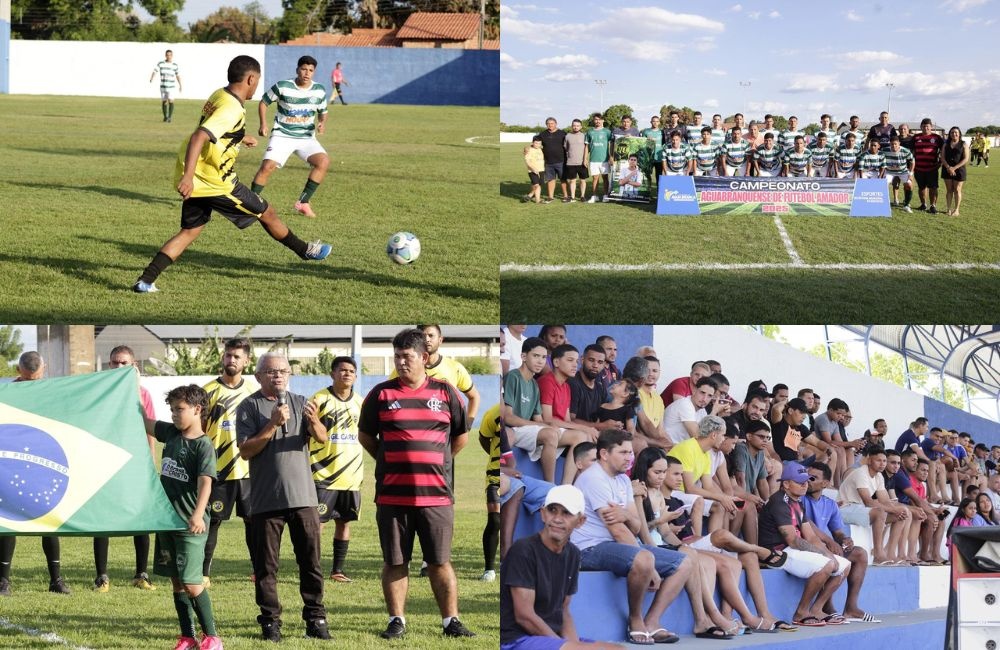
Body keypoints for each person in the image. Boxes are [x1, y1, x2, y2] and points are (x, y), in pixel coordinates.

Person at [132, 55, 332, 293]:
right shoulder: (231, 107)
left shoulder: (221, 94)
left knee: (190, 231)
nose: (256, 87)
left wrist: (238, 137)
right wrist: (188, 177)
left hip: (198, 176)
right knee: (266, 212)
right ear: (250, 79)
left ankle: (146, 280)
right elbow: (200, 135)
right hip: (216, 181)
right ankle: (305, 250)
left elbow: (215, 129)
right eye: (256, 82)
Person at [358, 329, 474, 640]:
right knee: (395, 561)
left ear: (424, 357)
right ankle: (397, 620)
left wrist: (437, 461)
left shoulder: (446, 393)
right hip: (393, 497)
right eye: (396, 356)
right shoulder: (381, 394)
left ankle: (451, 621)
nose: (400, 362)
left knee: (439, 561)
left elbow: (461, 435)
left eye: (406, 357)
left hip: (436, 496)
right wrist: (390, 459)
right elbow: (366, 436)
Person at [572, 429, 731, 643]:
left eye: (630, 452)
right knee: (645, 558)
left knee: (684, 562)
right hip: (589, 548)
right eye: (624, 452)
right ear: (604, 454)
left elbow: (636, 525)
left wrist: (627, 514)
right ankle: (635, 619)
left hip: (615, 545)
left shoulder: (622, 480)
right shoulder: (594, 478)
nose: (630, 457)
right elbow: (618, 530)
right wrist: (651, 566)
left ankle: (652, 622)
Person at [236, 352, 331, 642]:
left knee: (311, 563)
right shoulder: (249, 407)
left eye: (283, 371)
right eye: (271, 371)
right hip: (267, 500)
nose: (278, 376)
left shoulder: (301, 403)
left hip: (303, 498)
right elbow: (246, 450)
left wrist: (314, 422)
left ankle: (316, 619)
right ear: (258, 376)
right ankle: (270, 622)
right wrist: (273, 424)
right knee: (266, 567)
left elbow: (322, 438)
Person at [141, 385, 222, 650]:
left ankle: (212, 637)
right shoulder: (171, 434)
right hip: (166, 520)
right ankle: (187, 637)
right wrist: (128, 385)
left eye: (180, 409)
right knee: (176, 581)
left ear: (197, 409)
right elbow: (145, 421)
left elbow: (206, 484)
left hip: (190, 524)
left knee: (191, 581)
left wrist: (198, 515)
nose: (175, 414)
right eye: (172, 409)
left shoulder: (203, 445)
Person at [500, 484, 623, 650]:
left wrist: (573, 644)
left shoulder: (573, 553)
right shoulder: (523, 550)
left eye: (566, 513)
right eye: (552, 510)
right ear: (543, 514)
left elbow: (564, 610)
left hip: (549, 638)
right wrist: (564, 645)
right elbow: (524, 616)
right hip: (516, 639)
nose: (557, 519)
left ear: (581, 521)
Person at [0, 352, 70, 597]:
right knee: (7, 522)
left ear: (44, 369)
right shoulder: (6, 394)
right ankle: (3, 581)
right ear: (18, 371)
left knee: (48, 520)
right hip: (11, 464)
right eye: (27, 378)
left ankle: (56, 580)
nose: (31, 383)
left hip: (44, 462)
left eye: (36, 378)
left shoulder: (52, 393)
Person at [93, 345, 158, 592]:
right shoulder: (101, 393)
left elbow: (149, 430)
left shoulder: (143, 394)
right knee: (102, 519)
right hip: (106, 462)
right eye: (114, 363)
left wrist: (151, 463)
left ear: (134, 367)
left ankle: (141, 573)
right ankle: (101, 576)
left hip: (136, 463)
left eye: (123, 363)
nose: (118, 367)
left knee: (140, 518)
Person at [757, 462, 851, 627]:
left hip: (791, 550)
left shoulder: (798, 501)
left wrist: (828, 553)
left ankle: (817, 609)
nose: (805, 485)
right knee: (827, 564)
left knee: (845, 565)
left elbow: (811, 537)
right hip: (777, 553)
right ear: (786, 484)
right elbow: (793, 540)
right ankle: (801, 612)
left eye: (806, 481)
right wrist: (825, 556)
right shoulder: (779, 501)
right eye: (800, 482)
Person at [201, 338, 257, 587]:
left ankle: (259, 570)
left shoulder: (254, 391)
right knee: (212, 522)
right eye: (228, 355)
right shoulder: (208, 391)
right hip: (218, 469)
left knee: (254, 523)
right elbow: (200, 430)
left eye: (236, 356)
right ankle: (203, 572)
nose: (231, 360)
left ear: (246, 361)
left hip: (249, 470)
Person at [251, 55, 330, 219]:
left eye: (310, 70)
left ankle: (303, 202)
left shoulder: (319, 90)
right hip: (282, 135)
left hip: (306, 138)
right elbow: (264, 102)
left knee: (323, 161)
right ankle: (250, 203)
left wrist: (322, 123)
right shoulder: (283, 86)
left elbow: (323, 113)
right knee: (267, 167)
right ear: (297, 70)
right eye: (304, 69)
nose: (307, 73)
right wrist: (263, 124)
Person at [802, 462, 881, 624]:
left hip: (824, 547)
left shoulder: (829, 504)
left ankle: (851, 608)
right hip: (806, 546)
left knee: (859, 553)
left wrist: (844, 539)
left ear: (825, 484)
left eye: (812, 478)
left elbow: (837, 531)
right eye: (805, 476)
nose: (807, 480)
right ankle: (826, 608)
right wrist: (829, 542)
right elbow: (807, 524)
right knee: (830, 556)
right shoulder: (800, 499)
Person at [309, 356, 365, 583]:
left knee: (344, 522)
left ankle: (337, 570)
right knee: (317, 524)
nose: (347, 374)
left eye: (351, 371)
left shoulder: (360, 403)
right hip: (323, 473)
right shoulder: (319, 399)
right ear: (332, 374)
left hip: (351, 476)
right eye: (342, 370)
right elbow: (310, 430)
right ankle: (313, 570)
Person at [839, 447, 909, 565]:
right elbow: (868, 502)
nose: (882, 464)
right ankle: (878, 555)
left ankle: (890, 553)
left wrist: (897, 510)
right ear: (869, 460)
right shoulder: (861, 473)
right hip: (845, 508)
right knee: (880, 512)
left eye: (884, 461)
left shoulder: (879, 476)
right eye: (878, 460)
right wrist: (892, 509)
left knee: (902, 513)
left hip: (860, 510)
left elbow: (885, 501)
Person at [478, 403, 503, 582]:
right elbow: (483, 438)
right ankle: (489, 569)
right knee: (495, 520)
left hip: (516, 473)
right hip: (495, 474)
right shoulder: (493, 413)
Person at [912, 117, 945, 213]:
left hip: (932, 168)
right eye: (923, 126)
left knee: (933, 187)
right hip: (918, 168)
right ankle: (923, 204)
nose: (925, 128)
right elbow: (911, 151)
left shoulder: (937, 138)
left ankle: (933, 206)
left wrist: (940, 162)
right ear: (921, 127)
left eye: (927, 126)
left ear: (931, 127)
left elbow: (944, 150)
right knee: (921, 187)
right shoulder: (916, 137)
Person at [941, 126, 970, 216]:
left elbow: (966, 159)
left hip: (960, 170)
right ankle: (948, 209)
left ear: (959, 134)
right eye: (952, 132)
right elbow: (942, 157)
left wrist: (954, 168)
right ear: (949, 134)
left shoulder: (964, 144)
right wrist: (949, 167)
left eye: (956, 132)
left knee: (957, 190)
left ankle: (956, 210)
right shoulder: (945, 144)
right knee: (949, 190)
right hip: (947, 169)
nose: (954, 134)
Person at [538, 117, 567, 204]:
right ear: (546, 124)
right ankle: (550, 197)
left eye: (552, 123)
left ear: (556, 124)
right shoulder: (542, 134)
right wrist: (528, 148)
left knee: (563, 179)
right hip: (548, 162)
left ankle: (565, 196)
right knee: (550, 179)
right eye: (548, 124)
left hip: (561, 161)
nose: (550, 125)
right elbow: (535, 143)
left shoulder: (563, 134)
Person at [584, 114, 612, 202]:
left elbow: (612, 145)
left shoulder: (607, 132)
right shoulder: (589, 132)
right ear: (593, 120)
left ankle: (605, 195)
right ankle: (594, 196)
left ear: (603, 120)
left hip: (604, 159)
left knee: (605, 178)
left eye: (599, 119)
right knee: (595, 178)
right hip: (593, 159)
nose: (597, 121)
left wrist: (611, 156)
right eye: (596, 119)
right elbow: (586, 146)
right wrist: (585, 158)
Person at [884, 136, 915, 212]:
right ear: (889, 144)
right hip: (889, 172)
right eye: (892, 144)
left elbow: (912, 161)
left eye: (895, 144)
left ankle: (906, 205)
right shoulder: (885, 150)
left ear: (899, 143)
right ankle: (884, 204)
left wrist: (910, 173)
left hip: (902, 172)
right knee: (883, 184)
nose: (893, 146)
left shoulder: (905, 150)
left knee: (909, 185)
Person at [150, 49, 182, 122]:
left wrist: (180, 85)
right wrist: (152, 78)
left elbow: (177, 75)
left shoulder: (174, 65)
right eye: (167, 55)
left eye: (170, 55)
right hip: (163, 86)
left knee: (171, 100)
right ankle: (165, 117)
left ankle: (169, 117)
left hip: (171, 86)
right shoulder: (161, 63)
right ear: (165, 56)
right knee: (164, 101)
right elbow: (155, 71)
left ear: (172, 56)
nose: (169, 56)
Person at [562, 119, 589, 202]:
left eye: (577, 126)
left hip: (582, 162)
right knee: (572, 180)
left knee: (582, 180)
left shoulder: (584, 136)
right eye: (574, 125)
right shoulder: (567, 136)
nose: (576, 127)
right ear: (572, 126)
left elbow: (587, 149)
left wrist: (585, 160)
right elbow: (566, 148)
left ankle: (582, 196)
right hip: (570, 162)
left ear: (581, 127)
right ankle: (572, 197)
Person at [523, 135, 544, 203]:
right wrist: (533, 169)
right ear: (532, 143)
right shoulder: (529, 150)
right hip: (532, 171)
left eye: (539, 143)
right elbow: (527, 161)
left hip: (541, 170)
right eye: (536, 143)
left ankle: (537, 200)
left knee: (539, 185)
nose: (538, 145)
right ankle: (530, 195)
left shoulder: (540, 149)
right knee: (536, 185)